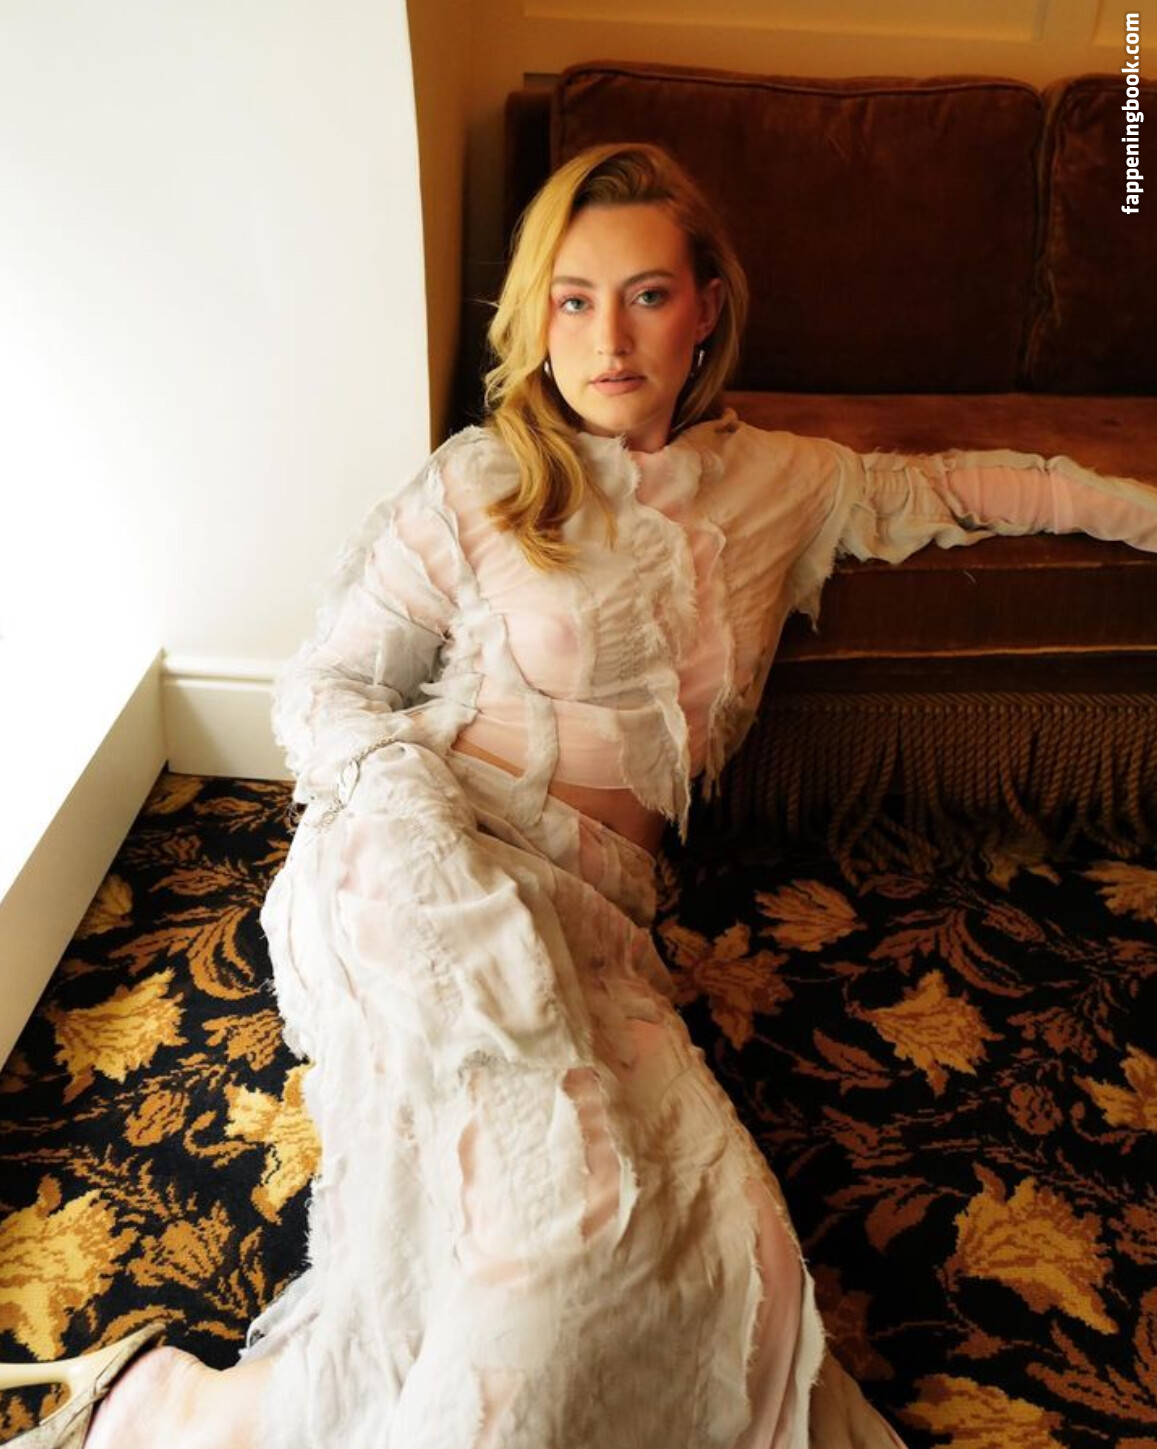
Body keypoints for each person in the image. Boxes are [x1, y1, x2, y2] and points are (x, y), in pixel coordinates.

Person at [5, 141, 1157, 1449]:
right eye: (573, 298)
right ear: (537, 317)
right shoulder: (482, 480)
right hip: (424, 857)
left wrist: (1138, 510)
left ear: (705, 307)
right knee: (554, 1230)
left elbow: (969, 484)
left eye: (647, 295)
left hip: (599, 916)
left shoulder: (786, 484)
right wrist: (417, 832)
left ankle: (174, 1409)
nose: (608, 338)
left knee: (716, 1273)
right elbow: (325, 688)